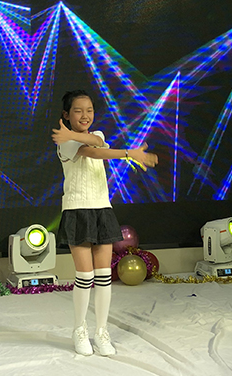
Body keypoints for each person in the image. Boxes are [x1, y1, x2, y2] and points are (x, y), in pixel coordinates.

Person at [51, 89, 158, 356]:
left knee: (103, 277)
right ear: (66, 114)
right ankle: (79, 330)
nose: (85, 115)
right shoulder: (65, 144)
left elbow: (96, 142)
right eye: (78, 111)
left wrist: (129, 153)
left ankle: (101, 332)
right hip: (77, 211)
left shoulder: (97, 135)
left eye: (89, 110)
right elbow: (92, 152)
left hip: (102, 210)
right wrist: (128, 153)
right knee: (85, 276)